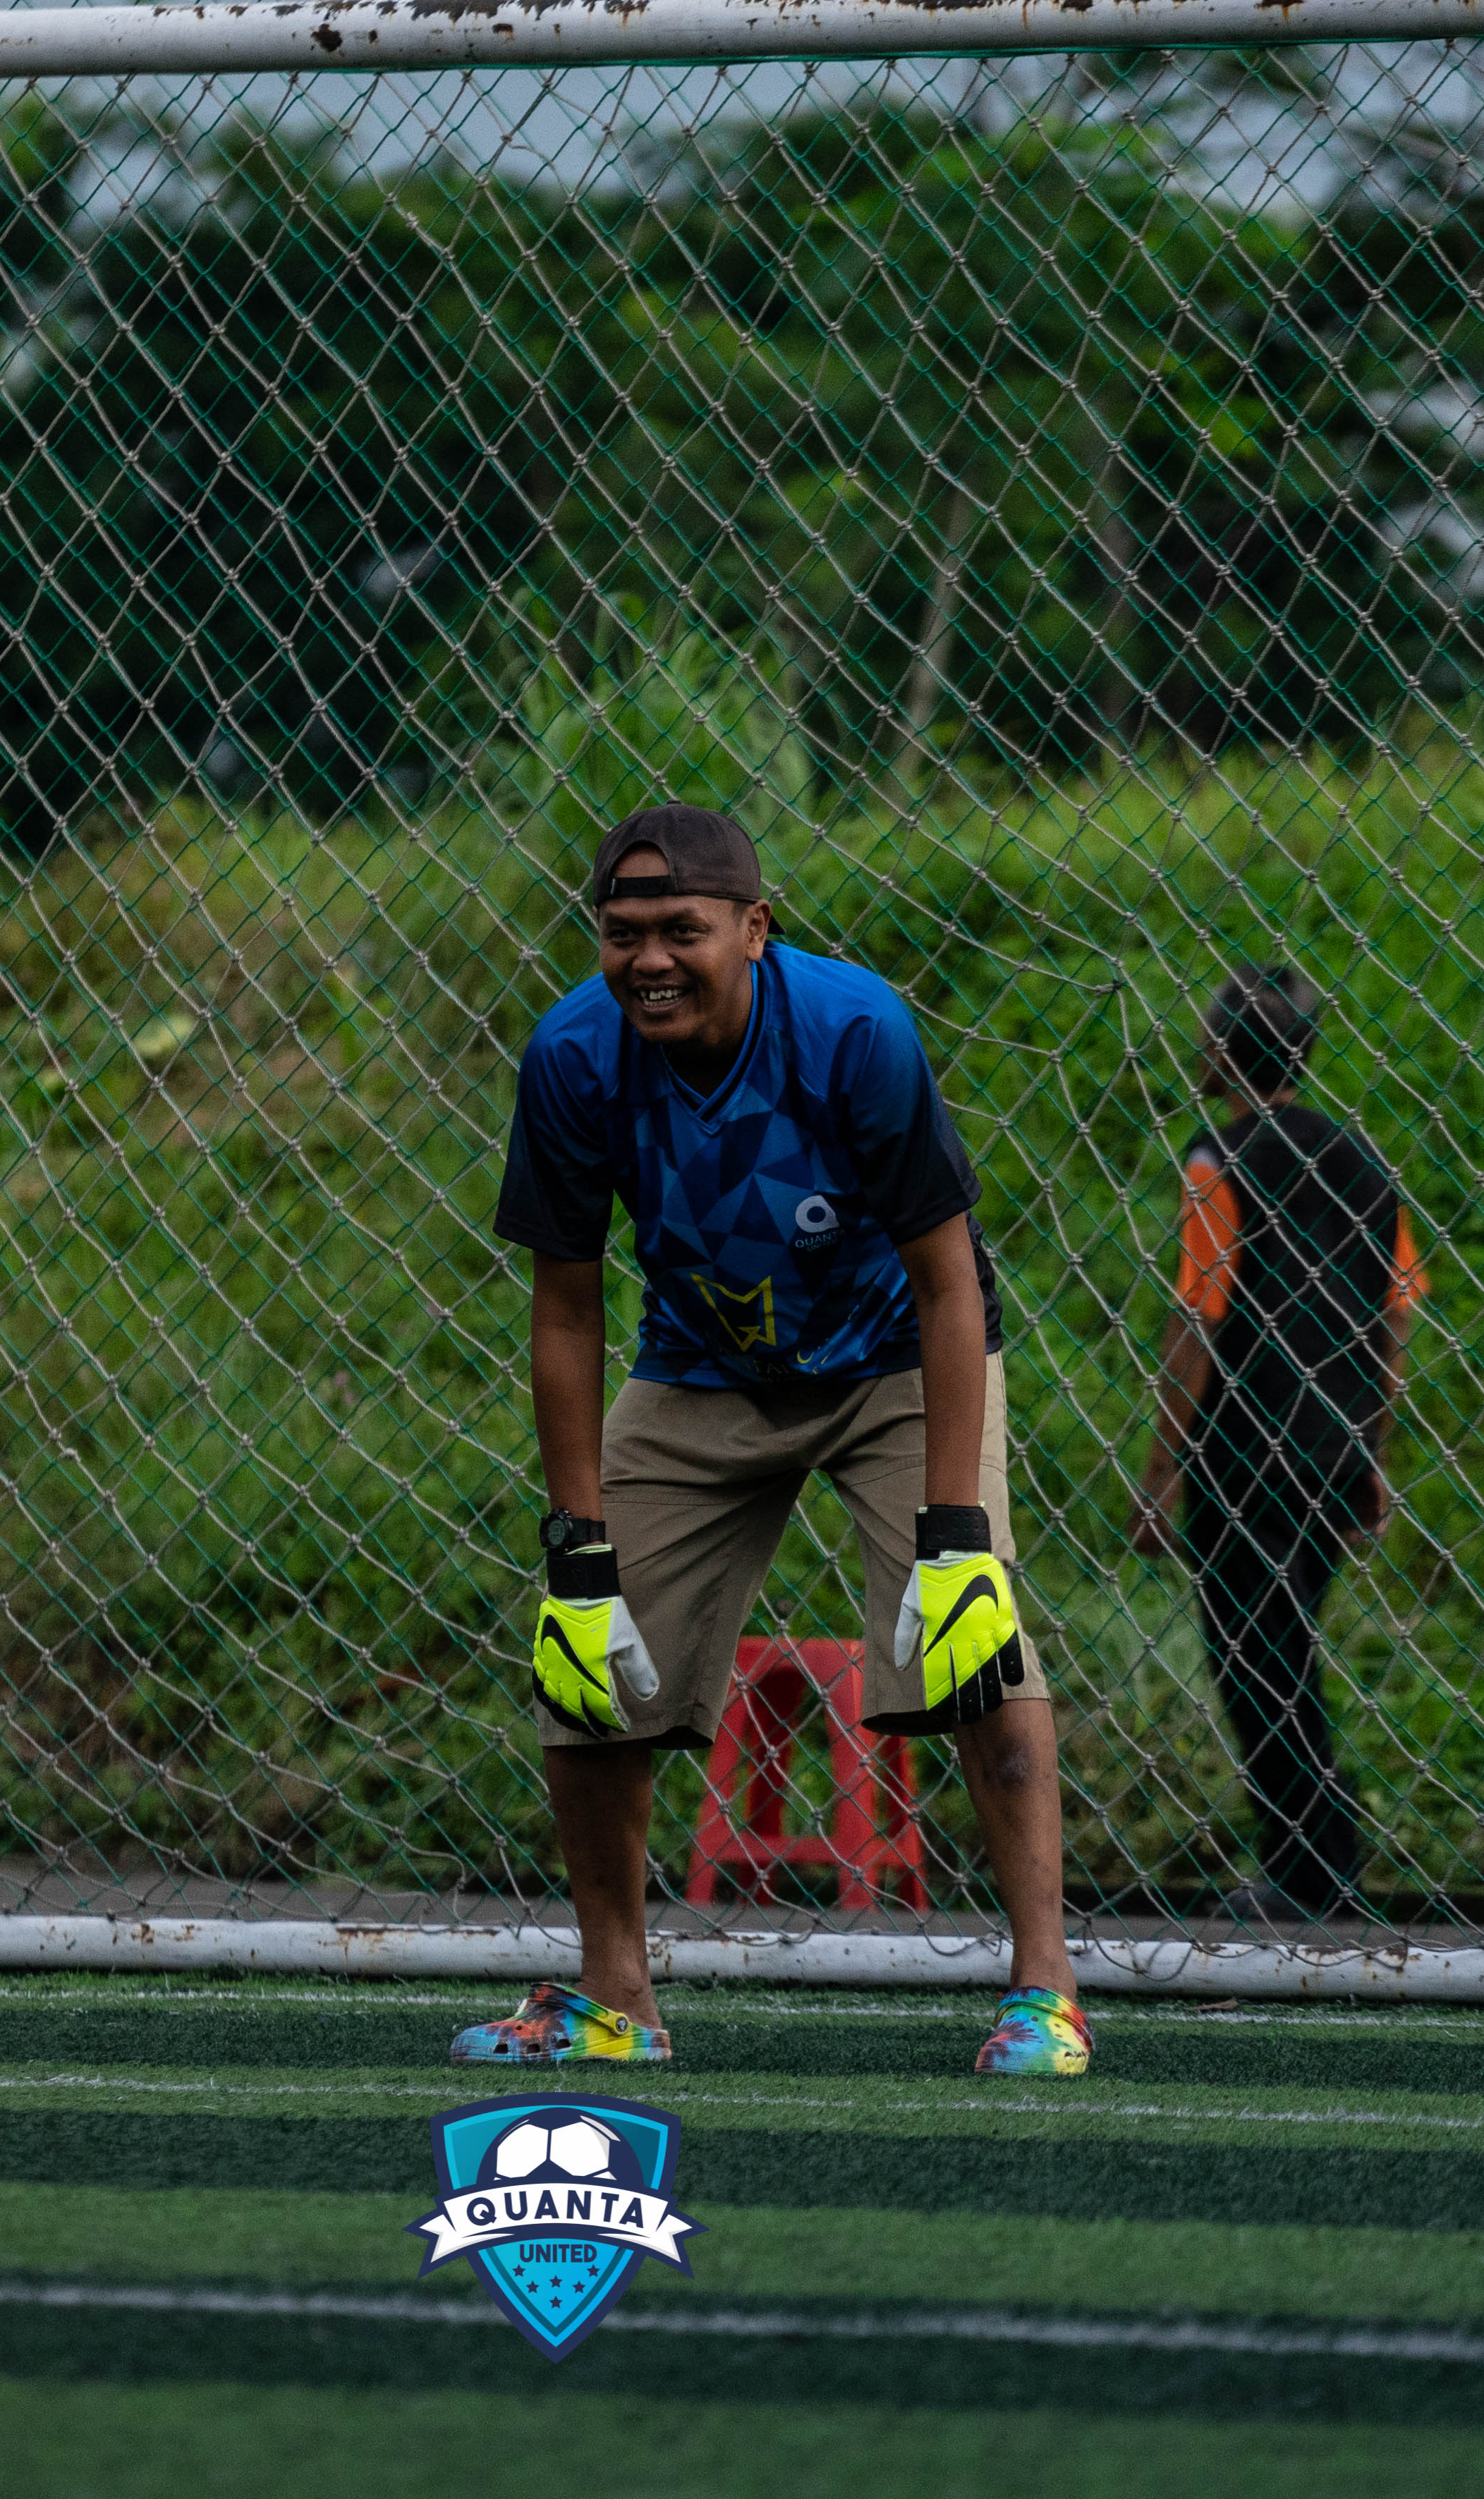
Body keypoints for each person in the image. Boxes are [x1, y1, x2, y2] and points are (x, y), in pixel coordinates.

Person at [453, 803, 1093, 2078]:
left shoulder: (855, 1031)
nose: (649, 961)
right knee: (589, 1667)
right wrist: (577, 1552)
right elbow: (566, 1311)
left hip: (895, 1356)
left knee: (978, 1643)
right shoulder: (573, 1057)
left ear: (755, 929)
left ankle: (1047, 1992)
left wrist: (955, 1537)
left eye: (681, 931)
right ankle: (616, 2001)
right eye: (622, 934)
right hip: (703, 1365)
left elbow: (949, 1280)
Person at [1141, 965, 1420, 1925]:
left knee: (1254, 1660)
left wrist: (1161, 1473)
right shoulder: (1364, 1158)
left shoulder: (1216, 1161)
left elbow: (1198, 1323)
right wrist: (1373, 1452)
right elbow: (1394, 1318)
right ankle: (1318, 1863)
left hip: (1244, 1455)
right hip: (1335, 1449)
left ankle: (1315, 1872)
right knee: (1285, 1648)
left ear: (1220, 1055)